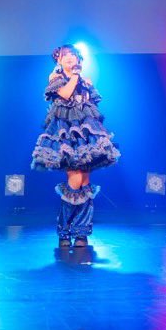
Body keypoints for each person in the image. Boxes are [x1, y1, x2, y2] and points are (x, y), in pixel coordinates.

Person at [31, 44, 121, 250]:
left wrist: (85, 84)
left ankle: (81, 233)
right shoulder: (56, 77)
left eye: (74, 55)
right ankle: (64, 231)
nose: (71, 58)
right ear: (59, 60)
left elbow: (92, 107)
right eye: (66, 56)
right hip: (66, 135)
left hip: (85, 136)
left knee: (85, 182)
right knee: (75, 179)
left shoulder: (85, 81)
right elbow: (64, 95)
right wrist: (74, 77)